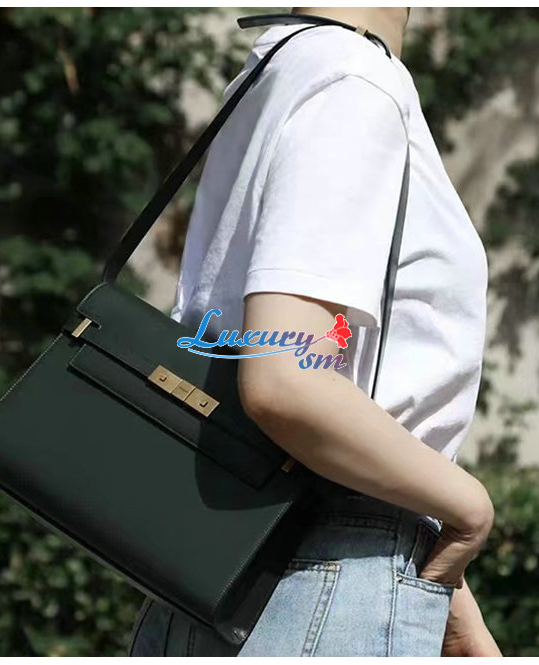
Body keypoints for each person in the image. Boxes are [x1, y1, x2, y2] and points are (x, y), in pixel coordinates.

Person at [129, 7, 502, 657]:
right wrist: (468, 509)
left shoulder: (281, 65)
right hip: (320, 583)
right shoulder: (353, 80)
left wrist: (441, 579)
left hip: (232, 562)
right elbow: (287, 383)